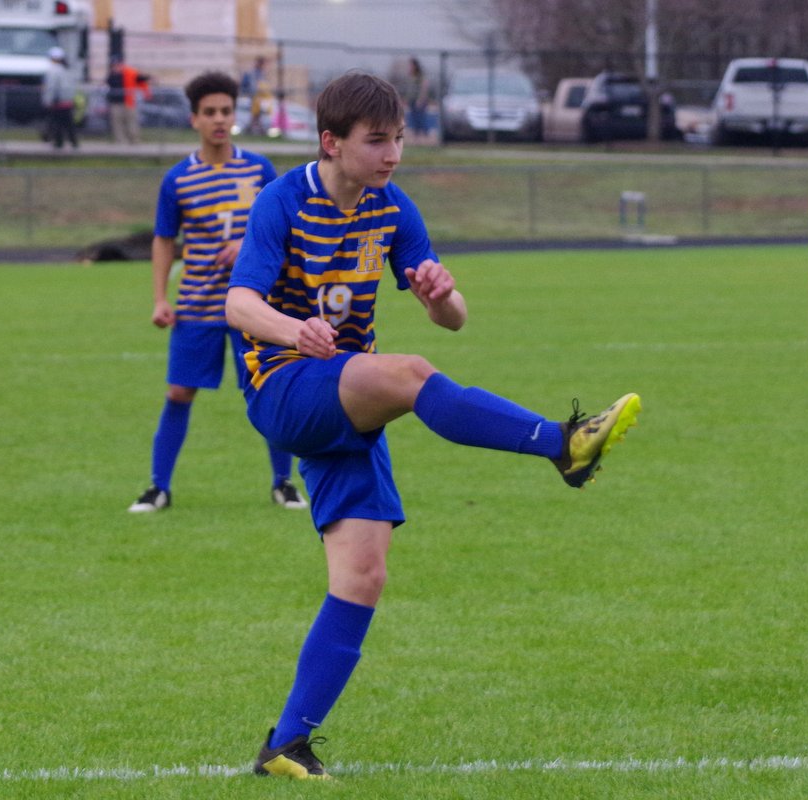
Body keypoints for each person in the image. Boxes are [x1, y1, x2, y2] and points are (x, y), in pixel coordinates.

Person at [226, 71, 641, 779]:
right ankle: (561, 444)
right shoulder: (282, 201)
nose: (392, 154)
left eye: (399, 139)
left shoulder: (392, 208)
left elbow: (455, 319)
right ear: (331, 142)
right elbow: (238, 303)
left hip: (345, 396)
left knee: (363, 575)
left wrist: (440, 296)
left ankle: (286, 745)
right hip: (284, 388)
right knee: (410, 374)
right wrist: (294, 331)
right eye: (376, 141)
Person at [129, 71, 306, 514]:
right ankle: (158, 487)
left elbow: (283, 230)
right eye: (210, 112)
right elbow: (164, 240)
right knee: (178, 393)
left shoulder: (259, 170)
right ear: (194, 119)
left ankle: (284, 483)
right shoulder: (177, 179)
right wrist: (160, 299)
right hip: (197, 305)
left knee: (270, 390)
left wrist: (246, 244)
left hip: (255, 308)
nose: (219, 119)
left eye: (226, 111)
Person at [106, 55, 151, 144]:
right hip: (116, 103)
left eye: (117, 65)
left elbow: (140, 79)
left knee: (131, 121)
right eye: (113, 65)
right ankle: (120, 140)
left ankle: (134, 140)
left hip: (128, 102)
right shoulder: (111, 76)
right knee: (117, 122)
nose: (115, 67)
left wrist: (148, 81)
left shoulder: (129, 73)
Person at [41, 46, 78, 149]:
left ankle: (59, 142)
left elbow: (51, 87)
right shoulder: (67, 69)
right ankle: (74, 142)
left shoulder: (53, 70)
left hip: (57, 101)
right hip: (67, 101)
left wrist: (47, 100)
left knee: (57, 123)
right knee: (68, 123)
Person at [240, 55, 271, 136]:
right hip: (255, 96)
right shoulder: (253, 73)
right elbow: (252, 85)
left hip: (260, 97)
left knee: (258, 114)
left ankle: (255, 129)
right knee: (255, 113)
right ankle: (254, 130)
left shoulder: (262, 73)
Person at [405, 57, 430, 138]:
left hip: (420, 100)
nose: (409, 67)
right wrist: (407, 99)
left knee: (421, 117)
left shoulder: (420, 76)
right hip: (412, 99)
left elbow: (424, 87)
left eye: (411, 65)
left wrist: (420, 99)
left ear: (415, 65)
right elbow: (409, 89)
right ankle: (417, 134)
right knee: (414, 117)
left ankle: (425, 134)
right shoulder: (410, 75)